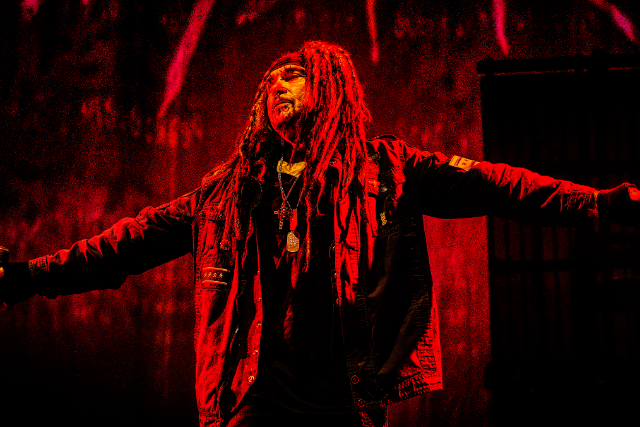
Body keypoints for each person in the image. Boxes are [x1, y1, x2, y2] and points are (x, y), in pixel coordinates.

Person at [0, 41, 638, 427]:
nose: (276, 87)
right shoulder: (230, 189)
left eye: (293, 76)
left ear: (329, 87)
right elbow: (128, 243)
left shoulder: (387, 170)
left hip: (347, 401)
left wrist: (598, 202)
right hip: (252, 398)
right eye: (270, 82)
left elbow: (496, 184)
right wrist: (24, 278)